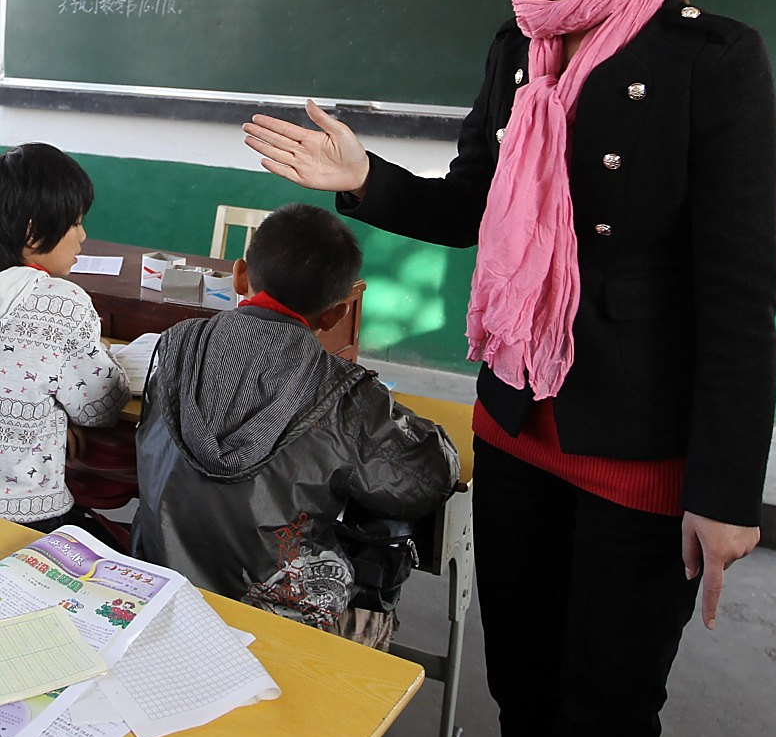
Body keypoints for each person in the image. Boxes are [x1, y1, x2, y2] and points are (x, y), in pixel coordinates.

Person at [241, 0, 776, 737]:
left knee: (606, 718)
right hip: (517, 423)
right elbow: (471, 209)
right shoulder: (516, 50)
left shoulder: (713, 60)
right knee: (519, 687)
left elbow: (740, 293)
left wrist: (728, 487)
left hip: (639, 446)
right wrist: (361, 177)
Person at [133, 203, 459, 649]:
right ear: (336, 314)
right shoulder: (345, 394)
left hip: (157, 591)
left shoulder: (174, 346)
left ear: (241, 275)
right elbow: (423, 480)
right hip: (278, 622)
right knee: (371, 594)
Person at [0, 142, 130, 532]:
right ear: (34, 231)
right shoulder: (60, 303)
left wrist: (48, 418)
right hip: (26, 515)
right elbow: (99, 409)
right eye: (74, 223)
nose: (83, 236)